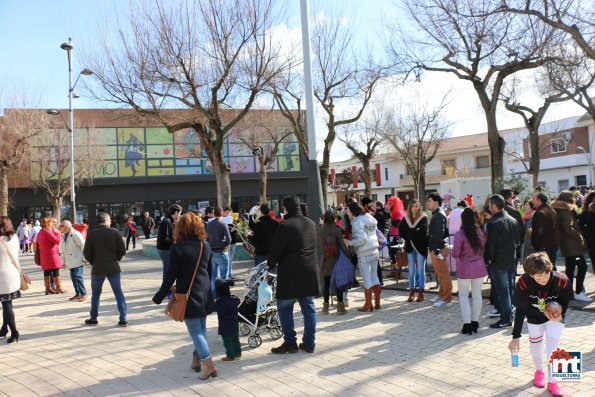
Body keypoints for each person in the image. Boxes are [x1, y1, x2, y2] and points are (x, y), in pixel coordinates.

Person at [153, 213, 217, 379]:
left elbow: (170, 275)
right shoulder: (205, 245)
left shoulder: (178, 248)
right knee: (201, 329)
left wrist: (159, 296)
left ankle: (209, 366)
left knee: (196, 331)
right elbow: (209, 272)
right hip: (203, 292)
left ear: (180, 228)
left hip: (188, 296)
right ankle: (196, 359)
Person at [508, 252, 573, 397]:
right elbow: (520, 309)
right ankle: (539, 371)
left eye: (546, 274)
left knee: (553, 350)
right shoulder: (523, 282)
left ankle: (553, 381)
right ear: (531, 275)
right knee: (535, 350)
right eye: (539, 276)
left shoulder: (561, 280)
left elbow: (566, 300)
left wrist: (560, 316)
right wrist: (516, 336)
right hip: (534, 317)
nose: (543, 279)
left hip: (554, 318)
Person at [267, 196, 319, 354]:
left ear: (286, 209)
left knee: (284, 306)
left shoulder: (285, 226)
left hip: (290, 273)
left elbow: (277, 249)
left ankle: (290, 342)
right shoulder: (311, 223)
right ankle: (309, 342)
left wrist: (270, 263)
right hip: (309, 270)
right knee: (308, 308)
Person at [83, 213, 128, 327]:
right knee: (118, 293)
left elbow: (87, 253)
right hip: (113, 267)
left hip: (98, 268)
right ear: (107, 220)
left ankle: (94, 318)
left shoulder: (91, 234)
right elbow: (122, 250)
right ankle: (123, 318)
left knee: (96, 294)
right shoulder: (115, 232)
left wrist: (94, 262)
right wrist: (116, 259)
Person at [485, 194, 519, 328]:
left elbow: (490, 246)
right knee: (509, 290)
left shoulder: (493, 223)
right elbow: (518, 241)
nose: (489, 208)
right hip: (511, 260)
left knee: (503, 292)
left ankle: (506, 319)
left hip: (498, 262)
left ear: (494, 206)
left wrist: (489, 261)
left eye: (489, 206)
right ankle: (508, 316)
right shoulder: (513, 220)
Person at [452, 207, 487, 335]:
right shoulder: (481, 232)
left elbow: (455, 253)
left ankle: (467, 324)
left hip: (465, 268)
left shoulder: (459, 234)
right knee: (477, 294)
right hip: (479, 266)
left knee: (463, 296)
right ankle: (475, 321)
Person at [551, 191, 591, 302]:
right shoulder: (565, 212)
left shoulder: (558, 210)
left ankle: (567, 293)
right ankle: (578, 292)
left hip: (567, 245)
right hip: (572, 246)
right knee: (583, 267)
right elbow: (568, 229)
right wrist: (580, 236)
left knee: (570, 270)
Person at [346, 201, 381, 312]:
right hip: (374, 250)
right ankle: (377, 302)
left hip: (364, 253)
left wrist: (349, 242)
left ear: (352, 211)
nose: (347, 213)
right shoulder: (369, 217)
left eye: (348, 210)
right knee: (374, 276)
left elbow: (362, 239)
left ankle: (368, 303)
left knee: (366, 279)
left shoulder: (356, 222)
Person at [318, 210, 349, 315]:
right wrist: (348, 255)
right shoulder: (336, 229)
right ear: (334, 218)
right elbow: (342, 246)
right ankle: (340, 307)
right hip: (337, 259)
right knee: (339, 283)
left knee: (326, 284)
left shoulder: (321, 229)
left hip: (325, 259)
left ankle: (325, 307)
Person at [399, 199, 429, 302]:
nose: (415, 208)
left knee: (420, 271)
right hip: (410, 248)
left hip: (421, 248)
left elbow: (424, 232)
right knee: (411, 272)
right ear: (410, 207)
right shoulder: (405, 218)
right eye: (413, 206)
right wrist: (414, 231)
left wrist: (410, 233)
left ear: (419, 207)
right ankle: (411, 292)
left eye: (416, 206)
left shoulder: (424, 218)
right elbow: (401, 231)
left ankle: (421, 293)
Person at [426, 192, 452, 307]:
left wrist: (436, 250)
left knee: (443, 274)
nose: (428, 203)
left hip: (439, 249)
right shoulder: (437, 214)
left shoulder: (439, 215)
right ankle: (442, 295)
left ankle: (447, 299)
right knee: (440, 274)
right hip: (436, 248)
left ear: (436, 202)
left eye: (430, 201)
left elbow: (440, 234)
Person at [0, 216, 22, 343]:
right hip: (13, 273)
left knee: (6, 304)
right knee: (8, 303)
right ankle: (4, 328)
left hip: (2, 276)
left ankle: (14, 332)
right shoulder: (14, 237)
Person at [205, 207, 232, 298]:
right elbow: (229, 239)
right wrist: (224, 243)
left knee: (213, 275)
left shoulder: (209, 224)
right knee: (224, 276)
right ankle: (225, 294)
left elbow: (206, 238)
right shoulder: (223, 223)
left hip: (212, 252)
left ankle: (214, 294)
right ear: (222, 214)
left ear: (214, 214)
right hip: (221, 251)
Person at [157, 204, 182, 297]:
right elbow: (164, 238)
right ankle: (165, 291)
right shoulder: (167, 221)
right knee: (167, 271)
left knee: (168, 270)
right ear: (176, 212)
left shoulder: (170, 221)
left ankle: (166, 290)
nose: (179, 215)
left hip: (165, 248)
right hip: (165, 249)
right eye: (179, 213)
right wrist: (174, 241)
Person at [59, 220, 87, 302]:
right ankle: (78, 294)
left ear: (66, 227)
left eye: (61, 225)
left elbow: (83, 245)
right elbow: (63, 250)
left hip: (77, 259)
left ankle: (83, 294)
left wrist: (84, 258)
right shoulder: (63, 235)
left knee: (78, 277)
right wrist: (63, 262)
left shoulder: (75, 233)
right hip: (70, 260)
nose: (59, 227)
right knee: (73, 278)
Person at [214, 279, 241, 362]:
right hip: (235, 324)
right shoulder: (234, 299)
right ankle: (238, 353)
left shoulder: (219, 302)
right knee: (236, 340)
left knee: (228, 343)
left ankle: (230, 356)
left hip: (225, 326)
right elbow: (238, 300)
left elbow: (212, 308)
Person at [37, 217, 66, 294]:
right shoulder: (47, 232)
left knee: (47, 271)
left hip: (44, 255)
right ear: (48, 223)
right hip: (51, 254)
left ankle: (48, 288)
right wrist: (57, 233)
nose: (54, 224)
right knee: (55, 270)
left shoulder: (40, 232)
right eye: (52, 223)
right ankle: (58, 287)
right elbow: (57, 240)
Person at [531, 192, 559, 269]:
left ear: (539, 200)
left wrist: (534, 244)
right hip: (553, 244)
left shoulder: (540, 212)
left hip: (544, 246)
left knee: (546, 268)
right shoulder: (551, 210)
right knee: (551, 266)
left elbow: (539, 231)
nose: (532, 201)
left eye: (533, 199)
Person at [501, 189, 526, 267]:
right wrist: (519, 243)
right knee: (511, 270)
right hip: (512, 245)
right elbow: (521, 229)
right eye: (513, 198)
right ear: (509, 198)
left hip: (498, 245)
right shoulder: (513, 211)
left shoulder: (494, 210)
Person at [578, 191, 595, 275]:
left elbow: (580, 225)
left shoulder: (585, 213)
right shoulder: (586, 213)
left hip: (591, 241)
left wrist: (586, 233)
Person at [386, 196, 404, 269]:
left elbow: (396, 224)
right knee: (391, 253)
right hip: (391, 235)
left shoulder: (398, 212)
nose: (389, 204)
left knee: (397, 254)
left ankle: (399, 272)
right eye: (389, 203)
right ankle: (394, 270)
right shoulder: (392, 212)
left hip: (397, 236)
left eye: (391, 203)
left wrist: (390, 217)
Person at [222, 207, 238, 280]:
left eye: (230, 212)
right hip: (227, 242)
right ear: (224, 212)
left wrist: (235, 228)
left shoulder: (232, 220)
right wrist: (230, 231)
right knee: (227, 259)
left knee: (231, 259)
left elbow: (235, 231)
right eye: (228, 212)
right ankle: (226, 275)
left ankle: (230, 274)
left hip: (233, 241)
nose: (229, 214)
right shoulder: (222, 220)